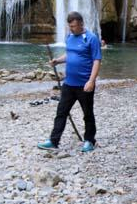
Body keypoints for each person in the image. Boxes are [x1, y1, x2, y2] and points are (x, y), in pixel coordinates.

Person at [37, 11, 102, 153]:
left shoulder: (91, 39)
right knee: (61, 112)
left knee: (88, 114)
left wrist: (91, 81)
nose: (71, 29)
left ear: (81, 24)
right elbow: (70, 54)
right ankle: (54, 141)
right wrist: (57, 60)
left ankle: (89, 140)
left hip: (84, 84)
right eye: (70, 26)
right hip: (69, 83)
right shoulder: (70, 37)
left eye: (73, 26)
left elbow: (97, 60)